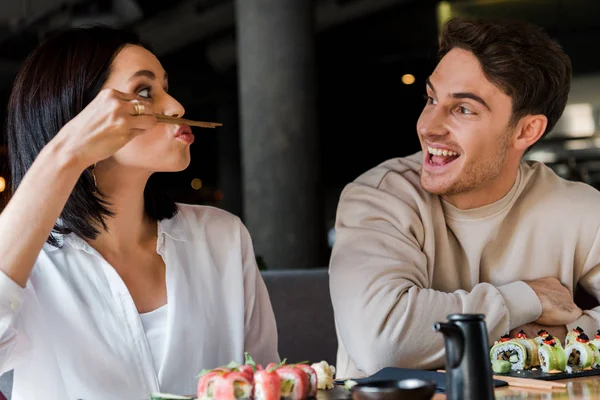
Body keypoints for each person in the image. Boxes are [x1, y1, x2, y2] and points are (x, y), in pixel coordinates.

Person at [0, 25, 278, 398]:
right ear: (78, 117)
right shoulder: (27, 263)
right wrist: (66, 152)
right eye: (144, 92)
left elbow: (267, 382)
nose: (177, 107)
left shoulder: (223, 236)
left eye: (166, 87)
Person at [329, 16, 600, 379]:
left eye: (463, 109)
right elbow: (383, 342)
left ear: (526, 130)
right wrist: (528, 299)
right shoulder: (380, 198)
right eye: (431, 99)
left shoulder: (577, 208)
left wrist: (562, 331)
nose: (428, 126)